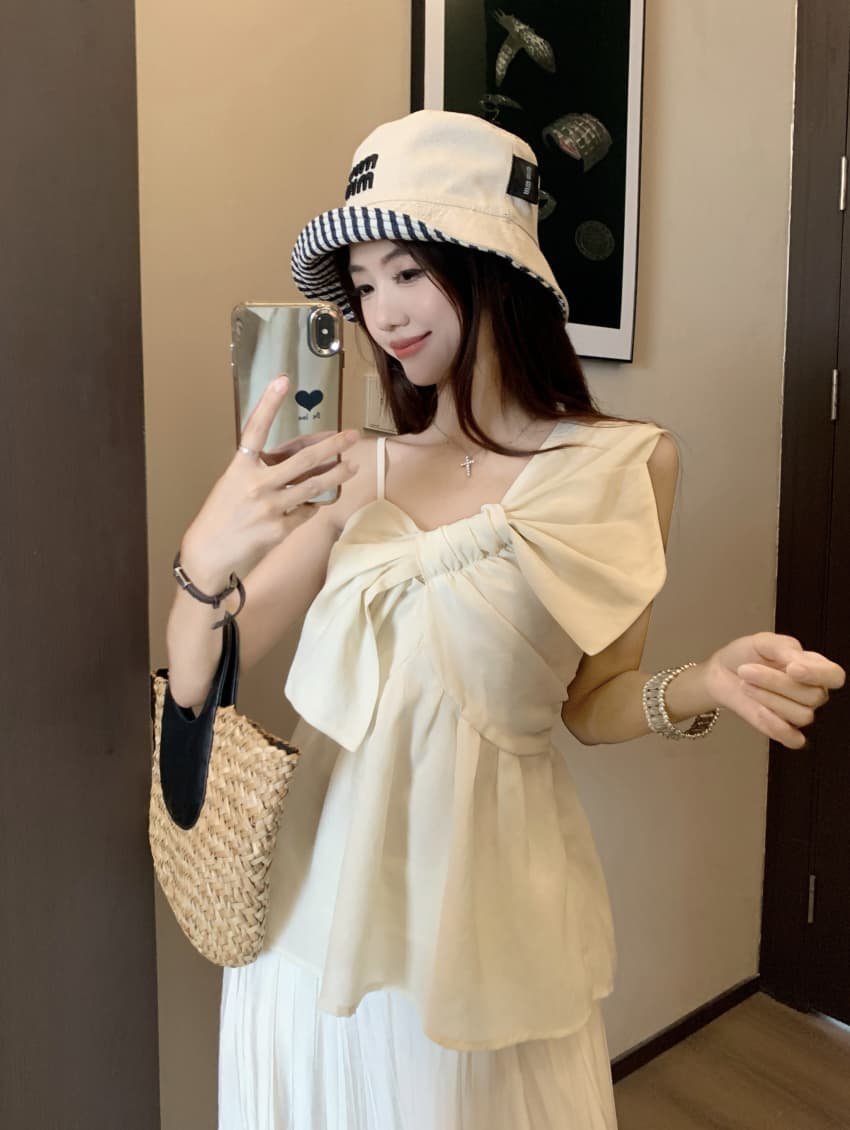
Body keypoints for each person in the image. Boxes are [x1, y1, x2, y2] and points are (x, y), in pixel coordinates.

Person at [164, 110, 846, 1130]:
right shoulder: (354, 466)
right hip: (316, 908)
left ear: (495, 267)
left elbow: (591, 703)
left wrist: (705, 682)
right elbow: (199, 676)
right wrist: (203, 560)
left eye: (407, 271)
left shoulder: (626, 465)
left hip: (488, 912)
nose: (382, 312)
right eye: (363, 285)